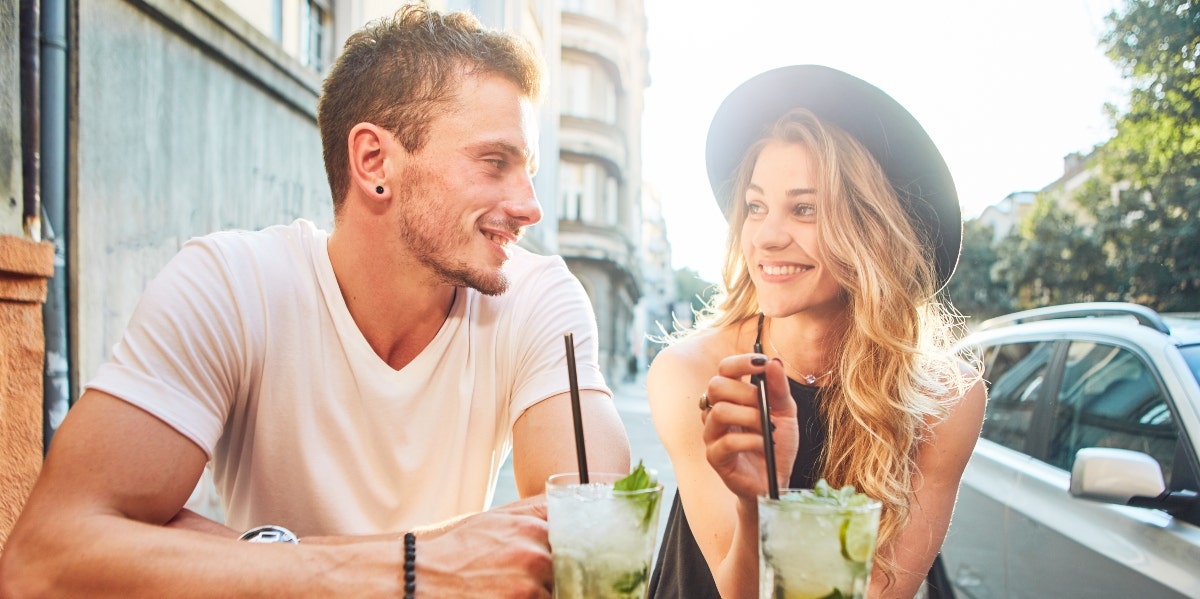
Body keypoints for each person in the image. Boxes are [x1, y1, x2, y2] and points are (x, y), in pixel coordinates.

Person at [0, 3, 629, 597]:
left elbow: (591, 540)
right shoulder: (233, 285)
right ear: (374, 160)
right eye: (495, 162)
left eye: (529, 171)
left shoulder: (539, 297)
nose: (530, 206)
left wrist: (240, 555)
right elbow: (43, 561)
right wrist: (415, 572)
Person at [645, 65, 987, 599]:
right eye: (755, 207)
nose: (767, 237)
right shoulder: (692, 373)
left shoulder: (948, 398)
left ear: (871, 230)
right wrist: (757, 503)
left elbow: (880, 591)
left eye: (804, 209)